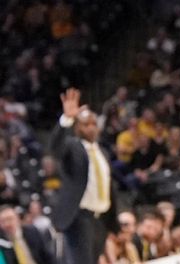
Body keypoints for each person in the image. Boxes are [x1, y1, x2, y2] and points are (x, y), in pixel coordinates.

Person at [49, 88, 119, 264]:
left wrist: (112, 220)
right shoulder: (73, 147)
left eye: (93, 123)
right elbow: (56, 148)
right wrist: (67, 119)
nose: (91, 128)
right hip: (80, 217)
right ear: (76, 127)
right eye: (85, 124)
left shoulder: (102, 151)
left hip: (100, 219)